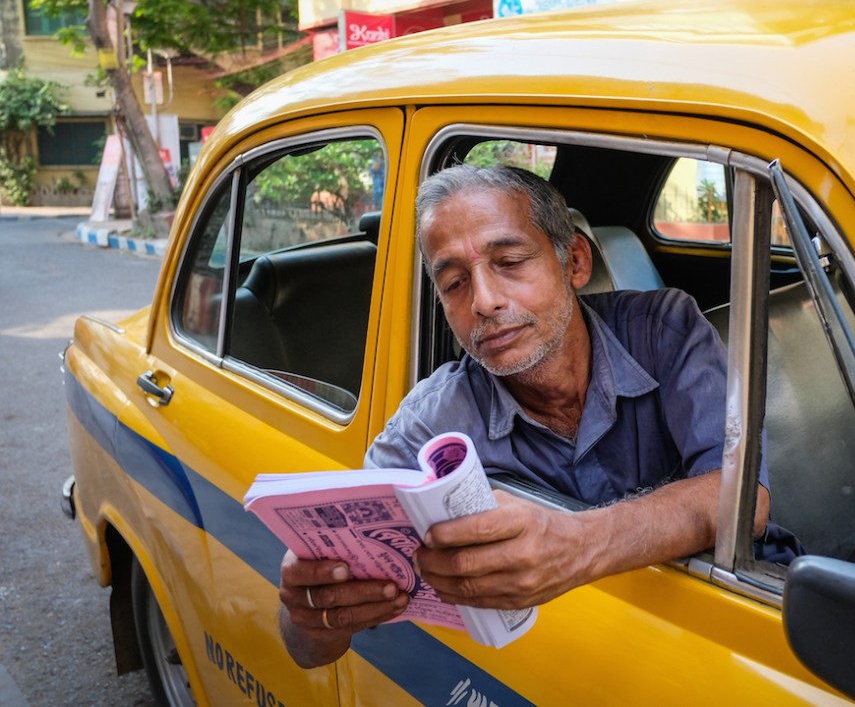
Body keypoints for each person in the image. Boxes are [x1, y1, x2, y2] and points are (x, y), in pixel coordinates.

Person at [278, 164, 772, 668]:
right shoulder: (430, 424)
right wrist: (312, 610)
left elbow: (741, 498)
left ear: (575, 261)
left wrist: (578, 543)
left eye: (510, 261)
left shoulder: (664, 330)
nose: (485, 302)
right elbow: (309, 650)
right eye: (453, 284)